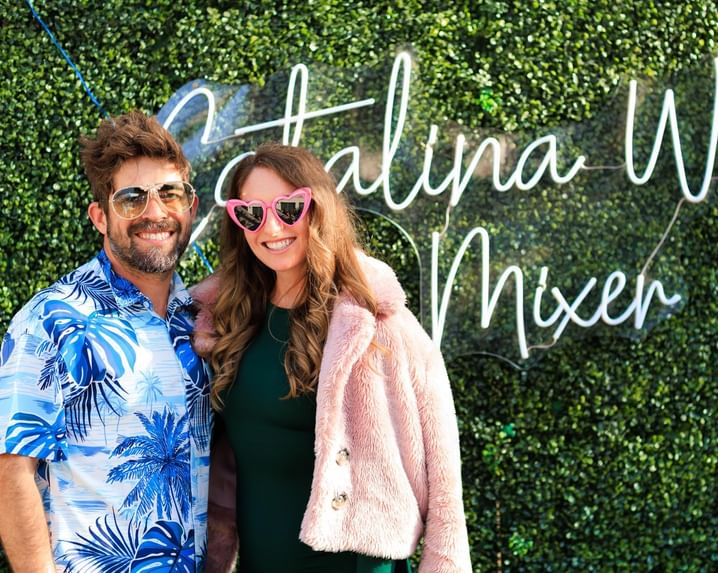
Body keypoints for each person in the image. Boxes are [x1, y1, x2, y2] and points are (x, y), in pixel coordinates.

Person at [192, 143, 472, 572]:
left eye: (289, 208)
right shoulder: (225, 316)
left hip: (355, 564)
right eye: (251, 213)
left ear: (318, 209)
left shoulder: (375, 321)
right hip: (261, 559)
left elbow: (443, 469)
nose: (271, 227)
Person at [0, 111, 211, 571]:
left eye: (169, 194)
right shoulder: (53, 319)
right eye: (132, 198)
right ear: (101, 216)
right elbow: (10, 469)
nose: (155, 213)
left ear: (191, 206)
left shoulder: (199, 320)